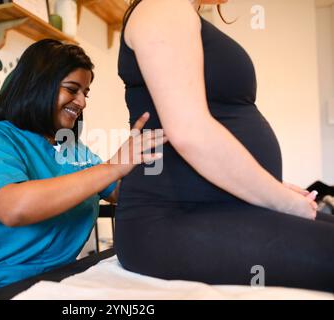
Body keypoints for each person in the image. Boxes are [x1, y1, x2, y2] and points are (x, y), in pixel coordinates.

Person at [115, 0, 334, 292]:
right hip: (169, 219)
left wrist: (274, 188)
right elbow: (190, 132)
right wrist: (283, 201)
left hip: (217, 208)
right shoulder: (163, 6)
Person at [0, 39, 166, 300]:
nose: (82, 102)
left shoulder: (75, 150)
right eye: (72, 89)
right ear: (38, 85)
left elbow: (123, 193)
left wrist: (153, 156)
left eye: (85, 93)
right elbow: (14, 208)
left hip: (56, 283)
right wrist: (112, 167)